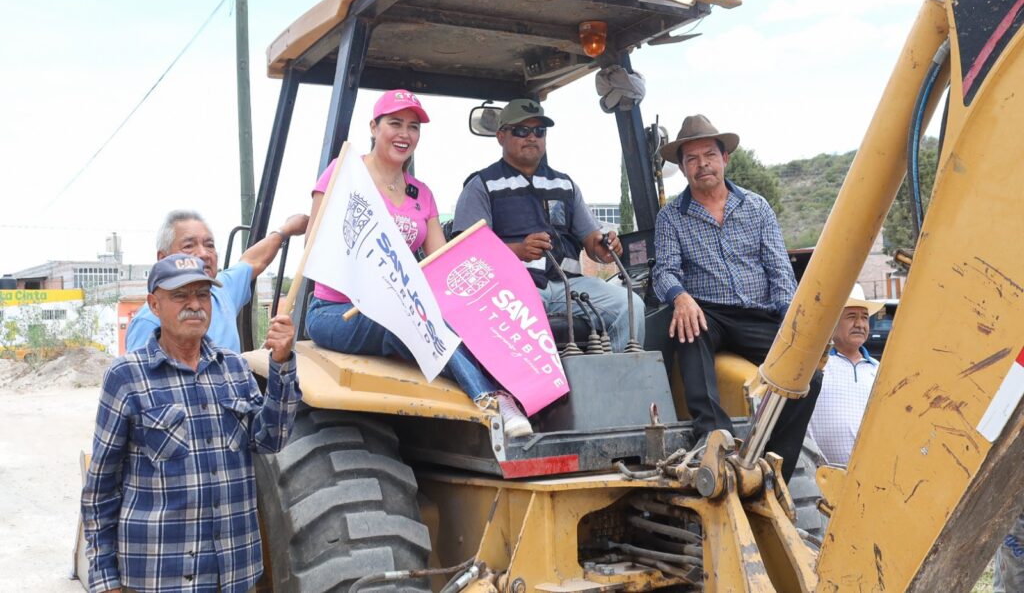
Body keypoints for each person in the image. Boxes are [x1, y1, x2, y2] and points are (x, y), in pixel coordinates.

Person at [305, 89, 533, 438]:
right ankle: (491, 399)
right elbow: (314, 247)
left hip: (402, 304)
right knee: (403, 314)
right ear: (373, 126)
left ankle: (526, 390)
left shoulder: (421, 194)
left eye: (413, 127)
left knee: (464, 312)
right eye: (395, 123)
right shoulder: (344, 174)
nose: (404, 134)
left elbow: (441, 264)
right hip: (337, 311)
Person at [81, 254, 301, 593]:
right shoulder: (126, 377)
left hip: (234, 574)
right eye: (180, 296)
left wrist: (282, 364)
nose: (194, 305)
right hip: (159, 577)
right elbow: (101, 490)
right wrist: (106, 580)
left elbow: (271, 439)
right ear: (154, 304)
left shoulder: (234, 368)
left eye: (202, 295)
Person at [651, 114, 821, 482]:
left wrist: (790, 322)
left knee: (809, 375)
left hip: (758, 314)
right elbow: (663, 271)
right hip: (708, 312)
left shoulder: (756, 207)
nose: (702, 165)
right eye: (692, 159)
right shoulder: (671, 217)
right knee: (687, 329)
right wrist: (680, 296)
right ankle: (713, 435)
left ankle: (776, 464)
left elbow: (780, 271)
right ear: (682, 169)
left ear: (725, 159)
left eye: (709, 155)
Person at [452, 98, 644, 353]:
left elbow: (592, 242)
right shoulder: (482, 186)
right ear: (501, 136)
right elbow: (466, 254)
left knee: (631, 305)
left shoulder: (565, 185)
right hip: (514, 289)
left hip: (570, 286)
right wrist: (518, 250)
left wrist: (605, 248)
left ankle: (617, 385)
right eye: (521, 130)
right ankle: (523, 391)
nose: (532, 137)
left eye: (539, 131)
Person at [126, 209, 309, 353]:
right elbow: (138, 385)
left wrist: (286, 230)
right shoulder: (149, 322)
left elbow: (253, 261)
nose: (204, 254)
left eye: (209, 245)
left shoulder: (222, 289)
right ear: (163, 258)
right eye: (189, 246)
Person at [807, 285, 884, 466]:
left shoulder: (879, 370)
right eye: (851, 317)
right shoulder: (815, 366)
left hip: (875, 474)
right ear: (833, 321)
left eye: (864, 318)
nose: (860, 324)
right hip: (821, 479)